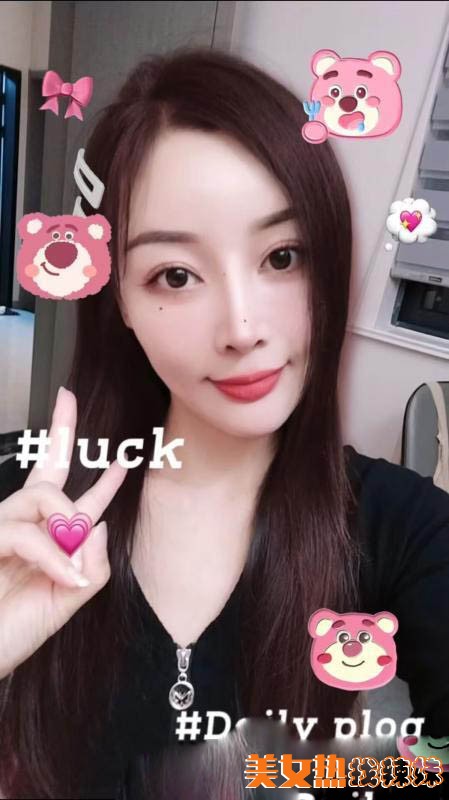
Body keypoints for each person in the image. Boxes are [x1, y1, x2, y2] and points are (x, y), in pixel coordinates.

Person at [0, 45, 449, 800]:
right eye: (175, 275)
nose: (242, 328)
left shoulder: (401, 526)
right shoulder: (20, 502)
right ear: (120, 302)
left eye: (283, 256)